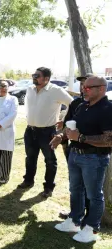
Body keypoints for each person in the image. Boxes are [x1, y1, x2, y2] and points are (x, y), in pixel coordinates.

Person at [54, 77, 112, 243]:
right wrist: (61, 136)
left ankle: (91, 229)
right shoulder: (82, 106)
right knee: (75, 190)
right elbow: (70, 127)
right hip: (75, 154)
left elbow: (109, 139)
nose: (83, 89)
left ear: (101, 89)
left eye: (87, 87)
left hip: (94, 158)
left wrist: (81, 137)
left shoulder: (108, 108)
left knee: (94, 195)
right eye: (83, 87)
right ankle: (74, 220)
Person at [17, 67, 73, 198]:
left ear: (46, 78)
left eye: (37, 75)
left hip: (47, 132)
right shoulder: (30, 89)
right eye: (33, 74)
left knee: (50, 160)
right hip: (30, 130)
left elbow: (73, 104)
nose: (34, 77)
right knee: (30, 158)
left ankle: (48, 187)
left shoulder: (56, 90)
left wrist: (64, 120)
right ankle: (28, 180)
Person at [56, 73, 93, 220]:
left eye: (87, 84)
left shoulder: (102, 105)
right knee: (75, 184)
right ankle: (75, 213)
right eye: (82, 84)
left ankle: (90, 217)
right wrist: (62, 139)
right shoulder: (75, 103)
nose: (83, 87)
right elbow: (66, 124)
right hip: (74, 149)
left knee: (90, 186)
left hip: (93, 152)